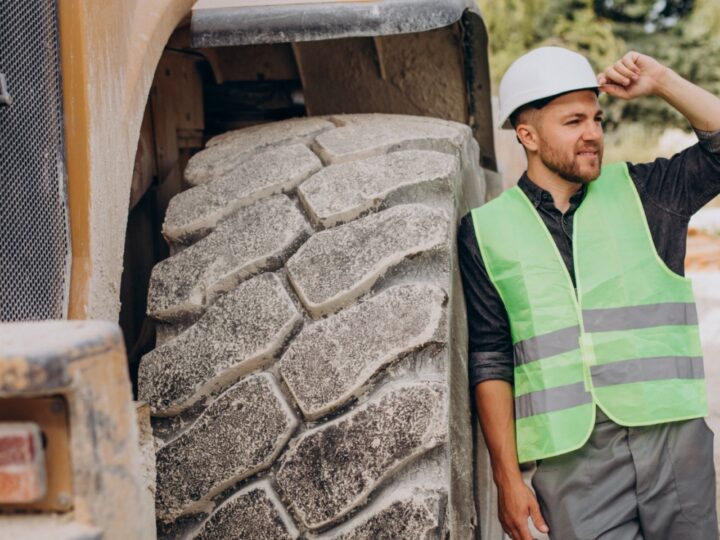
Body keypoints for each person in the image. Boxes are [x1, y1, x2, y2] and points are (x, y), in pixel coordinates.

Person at [458, 46, 720, 540]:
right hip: (573, 462)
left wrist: (662, 79)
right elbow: (490, 358)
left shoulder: (648, 193)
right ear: (527, 135)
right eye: (574, 121)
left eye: (597, 119)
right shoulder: (485, 231)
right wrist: (507, 478)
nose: (593, 134)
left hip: (673, 441)